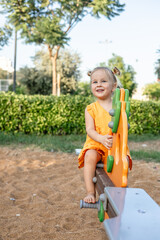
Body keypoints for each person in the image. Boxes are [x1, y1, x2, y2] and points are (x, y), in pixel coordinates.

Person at [78, 66, 120, 204]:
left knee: (121, 162)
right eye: (94, 82)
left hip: (113, 146)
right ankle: (90, 191)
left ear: (113, 86)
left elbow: (122, 128)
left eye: (103, 81)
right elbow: (90, 130)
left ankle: (119, 190)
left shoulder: (118, 107)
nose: (99, 84)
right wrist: (101, 139)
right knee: (89, 155)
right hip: (96, 144)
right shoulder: (91, 108)